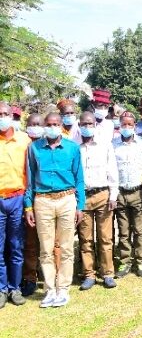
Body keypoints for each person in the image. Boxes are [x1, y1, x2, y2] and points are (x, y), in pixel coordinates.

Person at [25, 113, 85, 308]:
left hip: (67, 199)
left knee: (66, 247)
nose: (52, 127)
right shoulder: (34, 148)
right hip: (42, 201)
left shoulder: (72, 148)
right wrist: (28, 206)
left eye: (56, 124)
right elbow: (30, 180)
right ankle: (50, 290)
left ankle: (63, 289)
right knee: (46, 248)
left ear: (61, 126)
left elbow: (79, 179)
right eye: (49, 124)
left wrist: (80, 206)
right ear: (44, 126)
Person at [75, 112, 119, 291]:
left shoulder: (104, 145)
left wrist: (113, 195)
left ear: (95, 125)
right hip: (83, 197)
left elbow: (112, 171)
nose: (87, 127)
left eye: (90, 124)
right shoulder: (73, 147)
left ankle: (108, 273)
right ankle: (89, 274)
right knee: (86, 239)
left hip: (102, 195)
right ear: (79, 125)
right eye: (84, 124)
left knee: (105, 237)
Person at [0, 103, 31, 308]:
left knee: (17, 246)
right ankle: (2, 289)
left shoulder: (24, 140)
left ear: (12, 116)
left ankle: (15, 288)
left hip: (18, 199)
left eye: (5, 114)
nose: (2, 117)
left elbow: (30, 173)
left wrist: (28, 204)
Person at [113, 112, 142, 278]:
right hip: (120, 193)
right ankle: (125, 261)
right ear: (119, 125)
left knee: (139, 230)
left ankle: (140, 261)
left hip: (138, 192)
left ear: (135, 126)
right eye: (123, 124)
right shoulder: (112, 145)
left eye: (130, 125)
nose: (126, 127)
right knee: (124, 231)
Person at [19, 113, 47, 296]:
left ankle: (48, 275)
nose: (35, 127)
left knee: (50, 242)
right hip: (25, 198)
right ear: (26, 125)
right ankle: (29, 278)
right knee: (29, 242)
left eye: (38, 124)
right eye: (32, 124)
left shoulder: (48, 144)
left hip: (46, 198)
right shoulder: (21, 143)